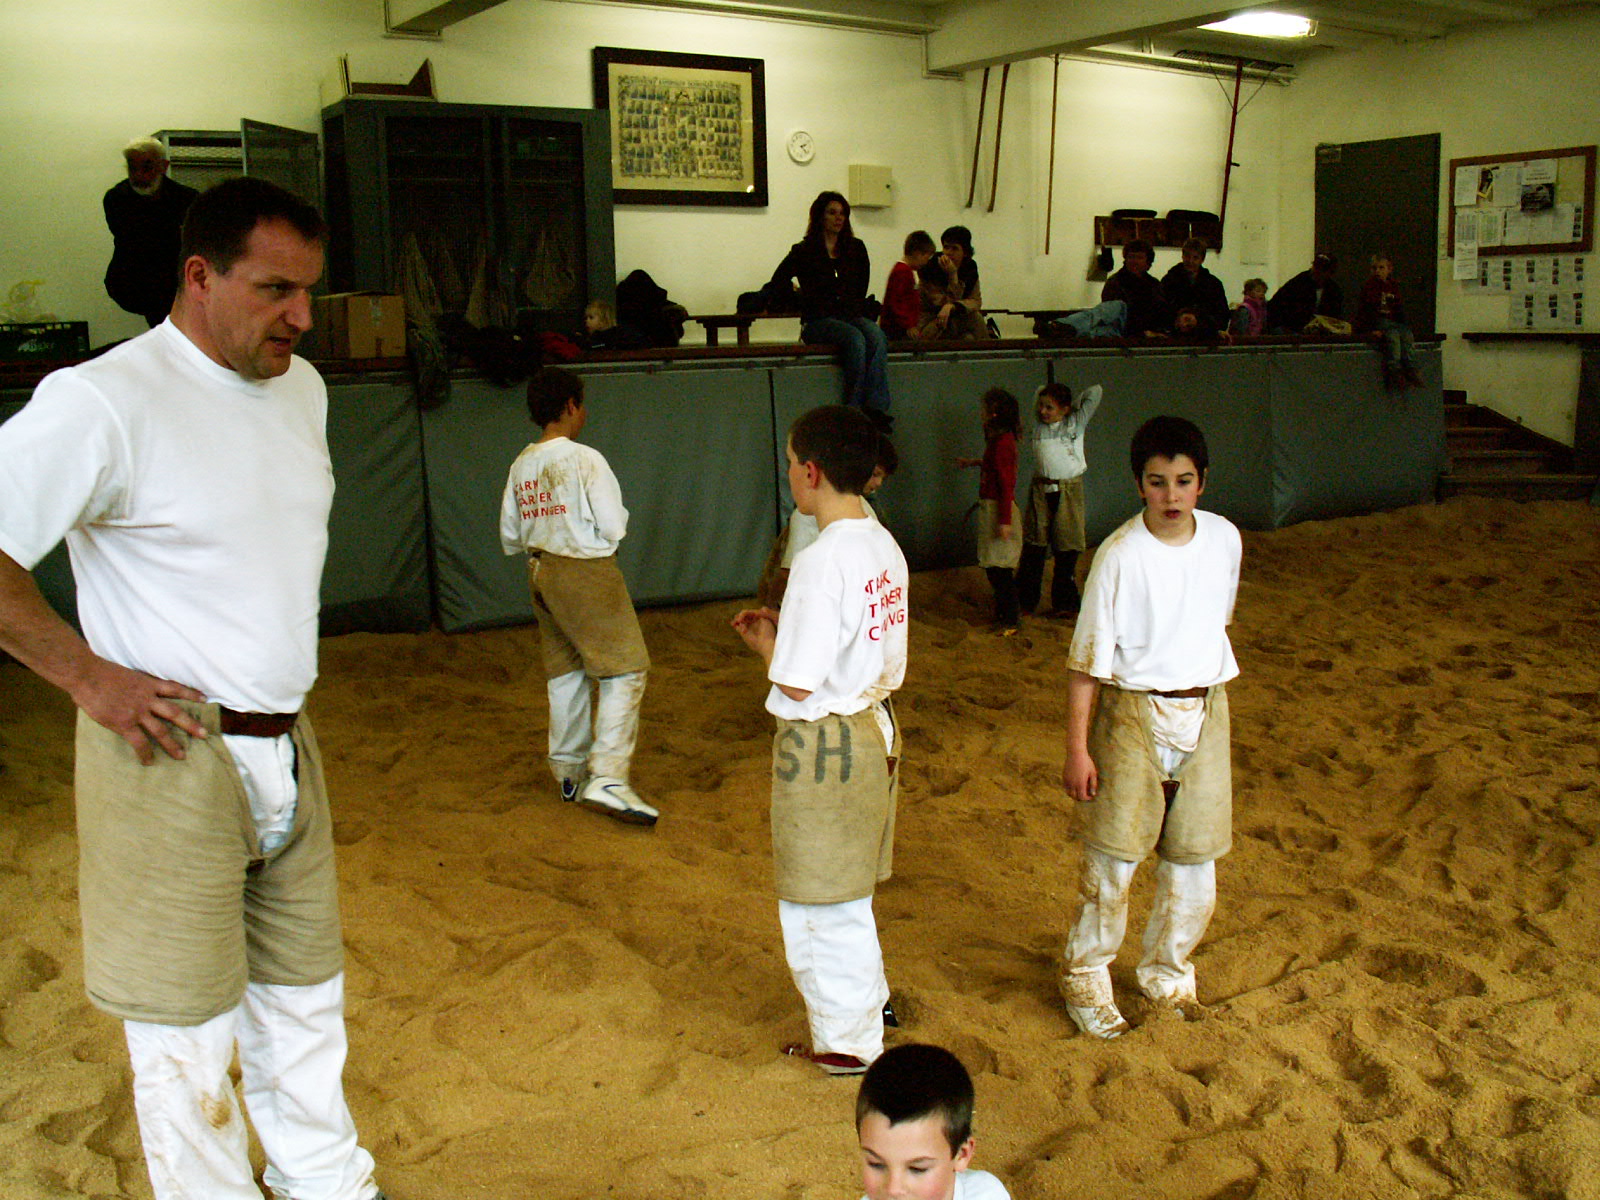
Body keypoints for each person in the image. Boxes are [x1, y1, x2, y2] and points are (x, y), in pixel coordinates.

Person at [0, 177, 390, 1199]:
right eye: (275, 291)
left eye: (310, 291)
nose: (302, 317)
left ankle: (328, 1184)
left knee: (304, 1001)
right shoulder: (103, 399)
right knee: (185, 1034)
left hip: (287, 742)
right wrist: (87, 677)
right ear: (199, 275)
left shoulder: (302, 390)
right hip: (167, 750)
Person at [732, 405, 908, 1074]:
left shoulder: (820, 558)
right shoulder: (881, 542)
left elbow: (798, 684)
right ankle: (870, 1009)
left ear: (811, 472)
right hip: (876, 725)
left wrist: (768, 644)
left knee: (818, 903)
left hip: (827, 744)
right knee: (849, 892)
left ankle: (847, 1043)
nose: (789, 475)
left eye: (789, 464)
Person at [1059, 416, 1241, 1039]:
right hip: (1132, 713)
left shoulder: (1224, 540)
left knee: (1194, 861)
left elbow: (1217, 620)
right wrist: (1078, 749)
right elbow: (1086, 663)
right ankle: (1086, 973)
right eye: (1158, 482)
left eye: (1183, 481)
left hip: (1206, 708)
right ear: (1139, 485)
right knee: (1114, 856)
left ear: (1202, 482)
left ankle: (1168, 973)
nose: (1171, 495)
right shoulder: (1118, 556)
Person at [499, 365, 656, 826]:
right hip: (584, 570)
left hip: (539, 570)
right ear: (570, 406)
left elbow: (510, 534)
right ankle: (608, 776)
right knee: (625, 669)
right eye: (581, 405)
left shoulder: (522, 464)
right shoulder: (585, 459)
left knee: (566, 670)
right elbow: (614, 524)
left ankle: (568, 771)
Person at [770, 192, 892, 428]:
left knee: (876, 335)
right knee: (855, 339)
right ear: (820, 216)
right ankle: (853, 408)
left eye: (843, 213)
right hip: (818, 319)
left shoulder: (855, 248)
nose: (839, 218)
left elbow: (862, 284)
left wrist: (850, 304)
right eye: (832, 213)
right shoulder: (804, 250)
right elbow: (778, 280)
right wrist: (799, 298)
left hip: (849, 314)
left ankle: (876, 406)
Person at [856, 1044, 1011, 1200]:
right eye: (876, 1164)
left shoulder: (988, 1195)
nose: (893, 1189)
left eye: (917, 1169)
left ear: (961, 1155)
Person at [759, 436, 897, 610]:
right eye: (875, 474)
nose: (878, 483)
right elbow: (786, 574)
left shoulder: (867, 512)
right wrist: (771, 610)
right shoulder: (807, 516)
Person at [1018, 382, 1103, 618]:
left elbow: (1095, 391)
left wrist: (1071, 406)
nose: (1043, 411)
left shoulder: (1075, 423)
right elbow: (1038, 390)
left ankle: (1065, 603)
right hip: (1041, 489)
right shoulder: (1038, 426)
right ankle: (1025, 601)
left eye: (1050, 408)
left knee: (1067, 548)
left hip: (1068, 490)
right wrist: (1050, 397)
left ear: (1064, 410)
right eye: (1042, 407)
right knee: (1034, 546)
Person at [103, 136, 199, 327]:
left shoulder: (187, 198)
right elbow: (133, 241)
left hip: (175, 282)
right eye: (133, 168)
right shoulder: (116, 198)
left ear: (164, 166)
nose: (138, 175)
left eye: (147, 167)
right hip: (134, 282)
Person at [956, 388, 1023, 634]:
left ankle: (1011, 619)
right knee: (995, 568)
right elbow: (996, 468)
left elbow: (1007, 483)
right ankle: (1004, 615)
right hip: (993, 508)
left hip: (998, 509)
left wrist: (1004, 520)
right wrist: (974, 463)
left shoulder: (1004, 441)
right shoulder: (998, 439)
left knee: (1000, 569)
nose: (981, 413)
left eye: (984, 408)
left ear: (994, 412)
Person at [1050, 240, 1167, 339]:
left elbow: (1159, 312)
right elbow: (1108, 312)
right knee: (1115, 309)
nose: (1134, 261)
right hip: (1117, 325)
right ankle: (1062, 327)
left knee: (1098, 330)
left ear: (1148, 262)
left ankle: (1065, 328)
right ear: (1125, 259)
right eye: (1131, 257)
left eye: (1139, 257)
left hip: (1132, 331)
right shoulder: (1116, 281)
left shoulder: (1154, 285)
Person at [1355, 253, 1423, 389]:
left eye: (1381, 268)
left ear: (1389, 269)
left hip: (1393, 321)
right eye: (1374, 268)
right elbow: (1365, 310)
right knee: (1393, 338)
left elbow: (1399, 308)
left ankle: (1410, 367)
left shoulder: (1393, 286)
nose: (1377, 271)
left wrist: (1404, 323)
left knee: (1407, 336)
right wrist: (1370, 329)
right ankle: (1394, 369)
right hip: (1379, 321)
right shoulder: (1369, 287)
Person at [916, 225, 991, 340]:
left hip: (954, 321)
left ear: (965, 252)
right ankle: (989, 349)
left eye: (955, 249)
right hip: (930, 324)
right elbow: (940, 304)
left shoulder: (969, 269)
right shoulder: (930, 270)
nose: (948, 253)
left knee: (968, 338)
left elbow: (976, 301)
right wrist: (952, 275)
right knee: (975, 319)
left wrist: (953, 306)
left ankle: (987, 350)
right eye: (946, 247)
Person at [1159, 238, 1229, 334]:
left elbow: (1222, 316)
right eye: (1187, 256)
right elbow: (1160, 311)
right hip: (1174, 336)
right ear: (1182, 256)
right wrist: (1177, 319)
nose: (1190, 261)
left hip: (1204, 337)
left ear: (1202, 260)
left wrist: (1199, 321)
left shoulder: (1214, 285)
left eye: (1195, 258)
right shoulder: (1168, 281)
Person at [1268, 252, 1344, 333]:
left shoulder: (1333, 290)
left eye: (1322, 270)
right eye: (1316, 267)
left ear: (1330, 273)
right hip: (1293, 330)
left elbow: (1334, 315)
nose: (1317, 271)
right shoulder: (1297, 283)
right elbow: (1276, 306)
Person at [880, 231, 936, 341]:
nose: (926, 262)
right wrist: (908, 325)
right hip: (897, 329)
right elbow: (897, 302)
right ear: (917, 253)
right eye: (926, 257)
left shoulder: (905, 271)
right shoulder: (902, 272)